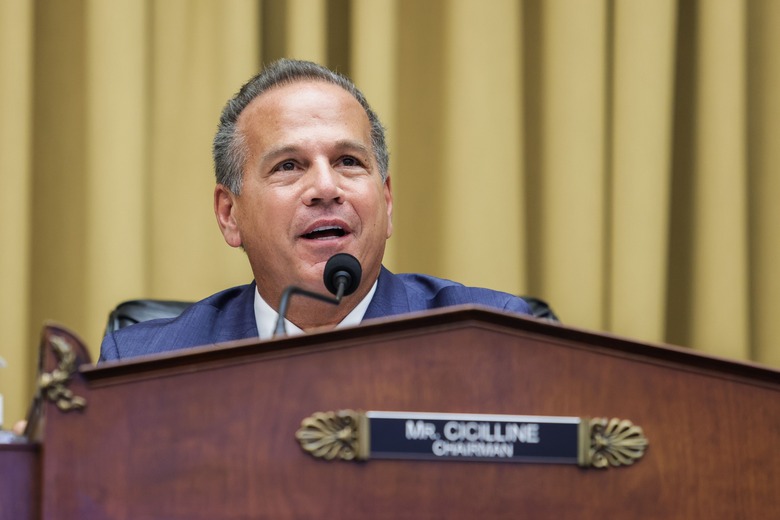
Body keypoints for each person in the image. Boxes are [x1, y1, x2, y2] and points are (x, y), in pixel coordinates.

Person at [99, 59, 530, 362]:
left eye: (348, 161)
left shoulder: (492, 341)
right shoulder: (146, 364)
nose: (326, 187)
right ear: (229, 214)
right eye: (289, 166)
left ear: (387, 201)